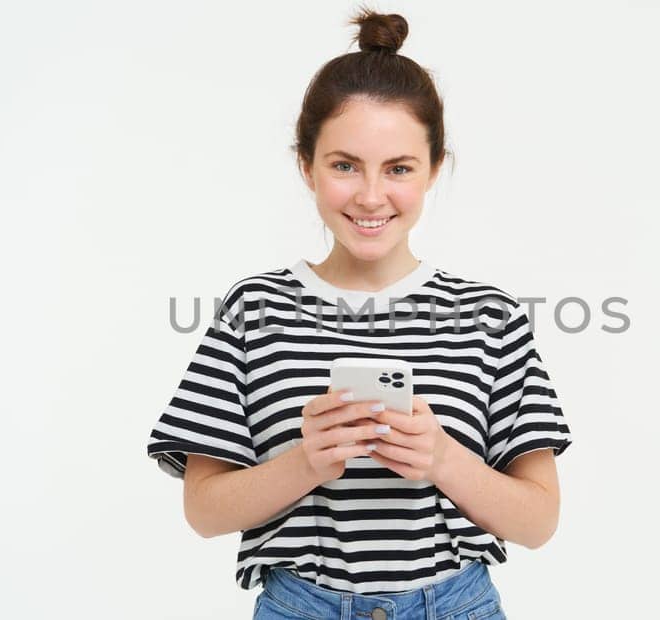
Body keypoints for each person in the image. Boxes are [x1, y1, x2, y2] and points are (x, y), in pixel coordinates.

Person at [146, 8, 573, 619]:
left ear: (432, 170)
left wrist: (444, 458)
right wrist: (306, 461)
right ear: (307, 167)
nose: (371, 196)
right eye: (344, 165)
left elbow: (539, 522)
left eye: (398, 168)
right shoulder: (254, 310)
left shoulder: (490, 316)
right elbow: (204, 512)